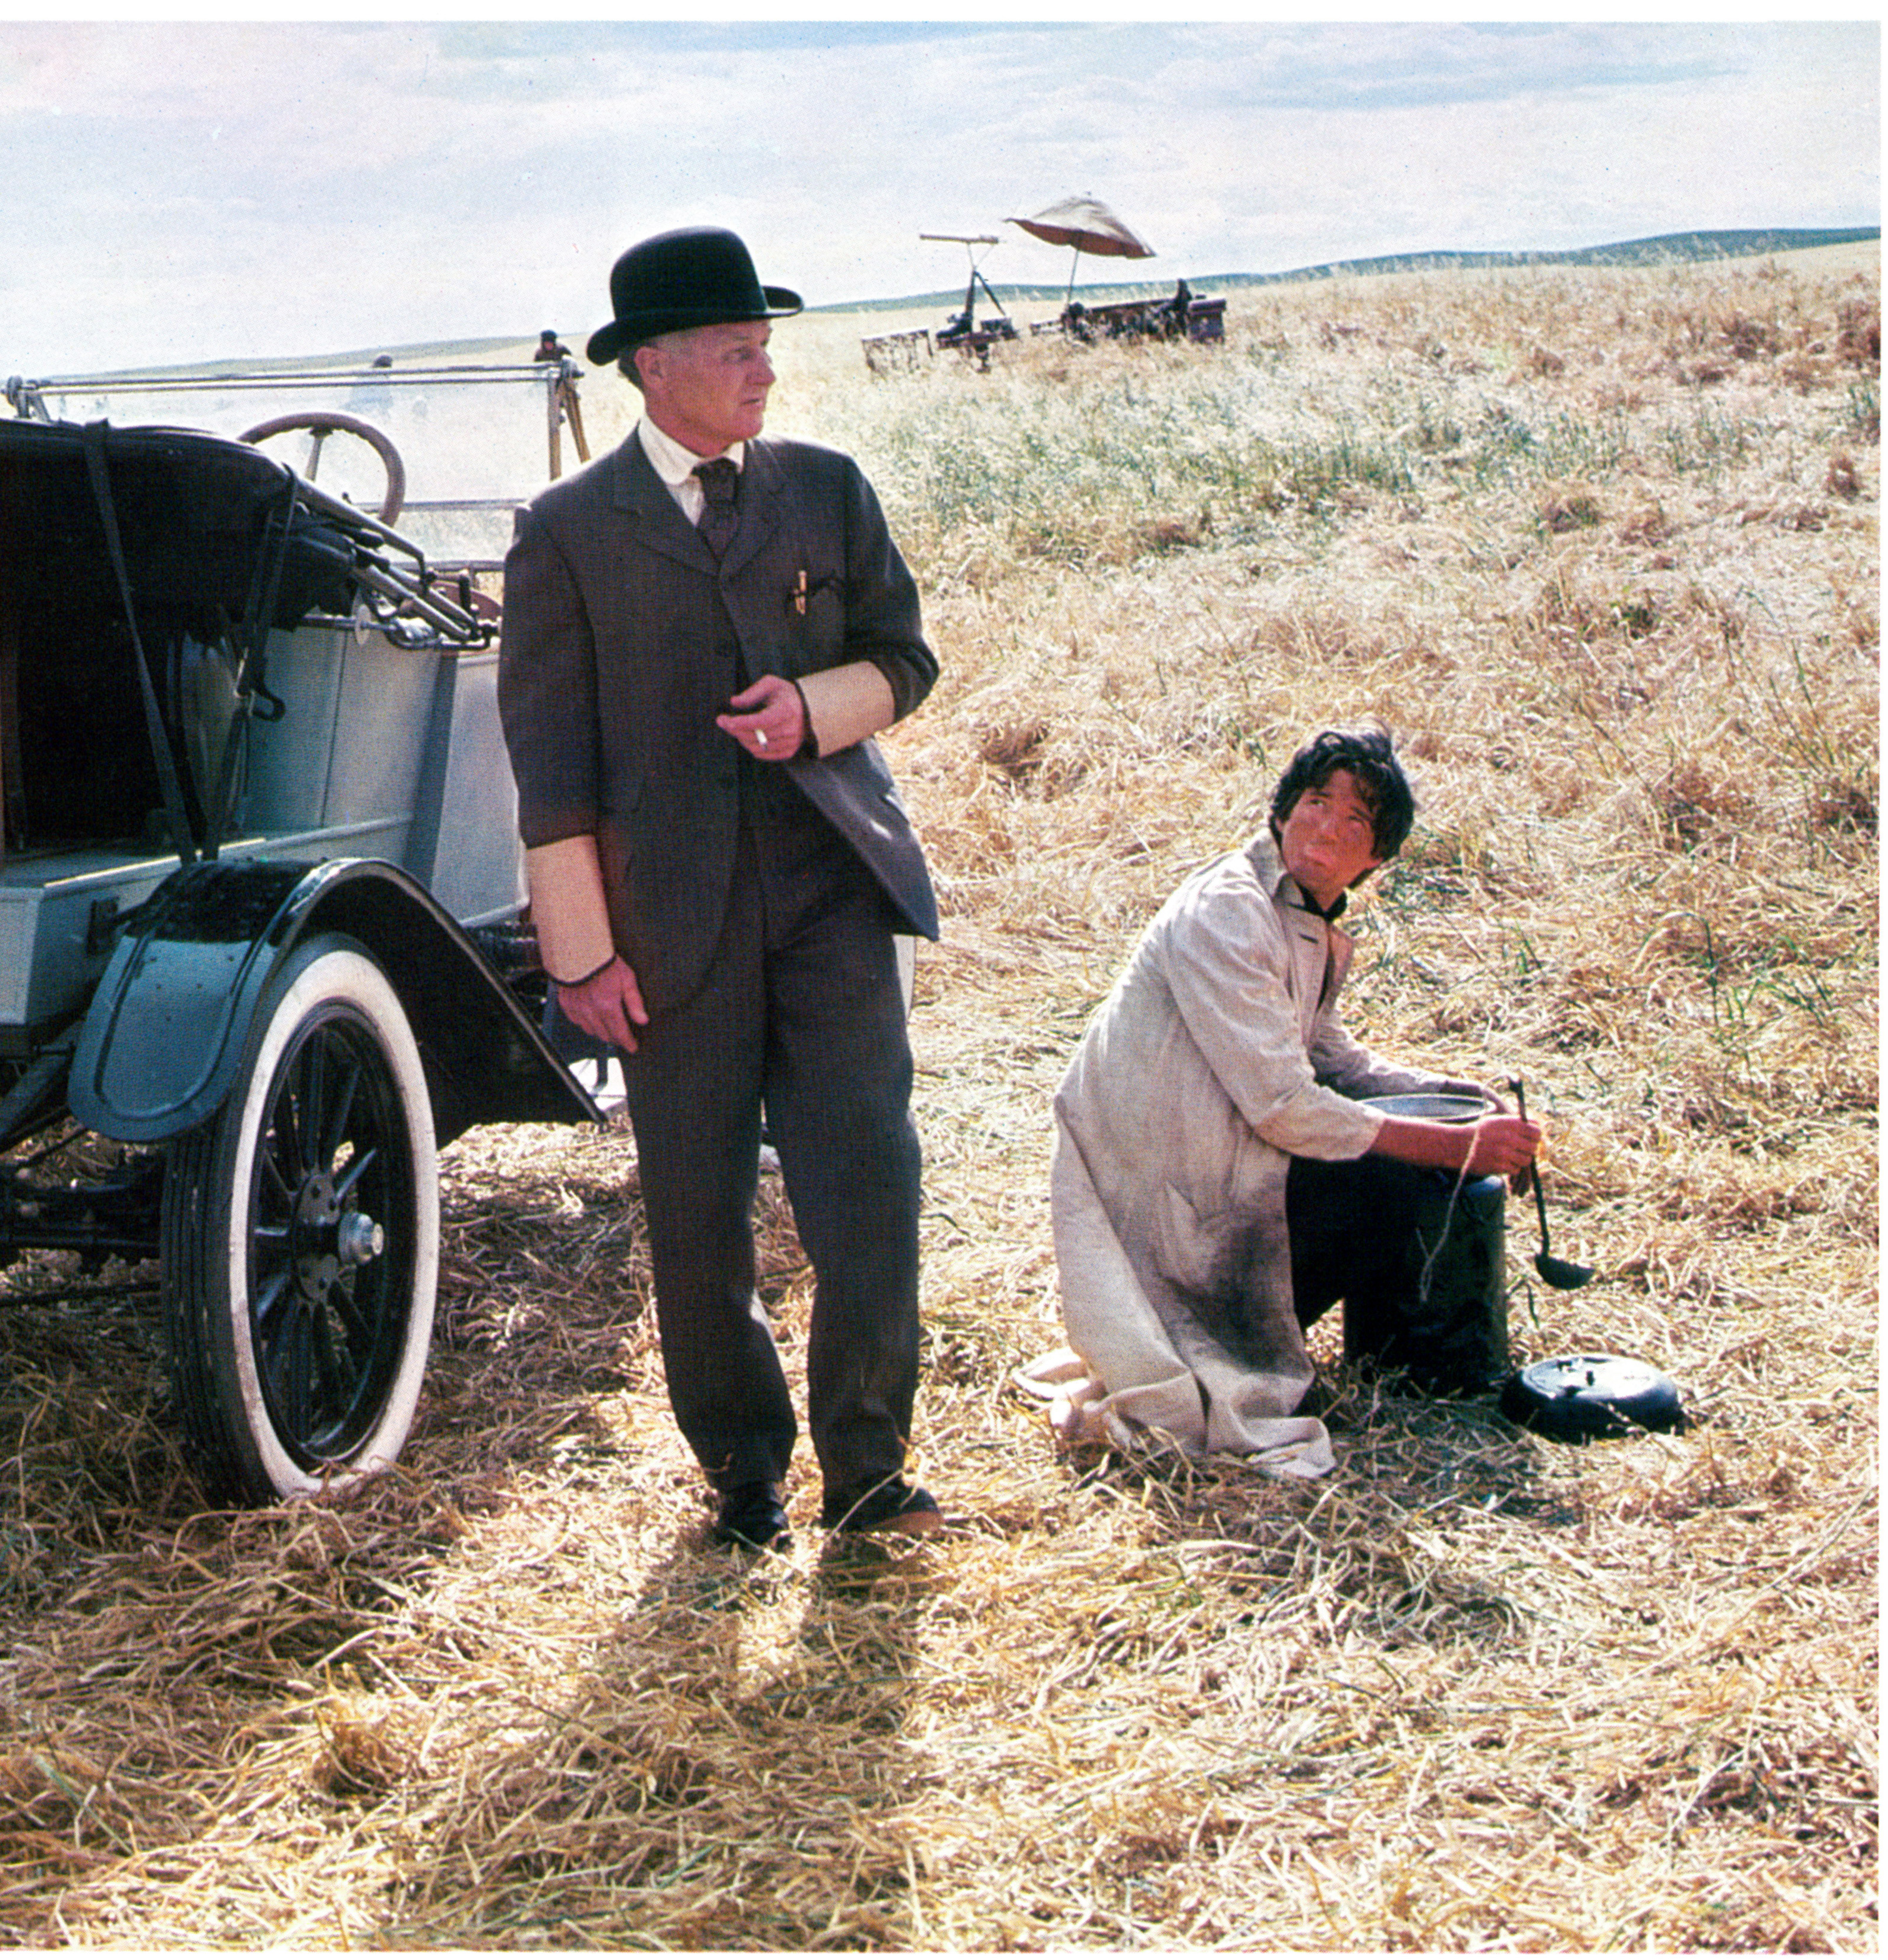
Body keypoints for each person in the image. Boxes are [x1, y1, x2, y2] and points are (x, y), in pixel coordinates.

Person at [496, 226, 943, 1553]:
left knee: (866, 1185)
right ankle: (741, 1476)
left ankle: (869, 1471)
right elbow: (549, 766)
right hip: (664, 926)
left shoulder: (826, 487)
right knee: (693, 1213)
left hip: (829, 900)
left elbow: (902, 661)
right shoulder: (565, 533)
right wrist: (580, 957)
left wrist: (810, 708)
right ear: (652, 366)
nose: (762, 368)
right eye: (735, 348)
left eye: (763, 345)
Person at [1021, 727, 1542, 1478]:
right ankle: (1212, 1342)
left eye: (1355, 820)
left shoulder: (1301, 922)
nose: (1326, 825)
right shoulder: (1229, 911)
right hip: (1155, 1206)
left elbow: (1334, 1059)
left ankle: (1398, 1356)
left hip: (1211, 1176)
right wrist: (1458, 1147)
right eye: (1313, 801)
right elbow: (1285, 1109)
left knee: (1403, 1160)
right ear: (1280, 812)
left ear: (1377, 859)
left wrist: (1464, 1104)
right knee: (1395, 1174)